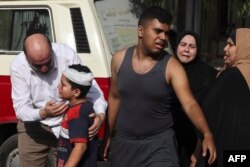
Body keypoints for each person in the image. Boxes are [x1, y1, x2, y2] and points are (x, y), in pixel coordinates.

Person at [102, 6, 216, 167]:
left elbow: (190, 104)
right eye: (157, 31)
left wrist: (207, 133)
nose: (163, 37)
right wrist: (108, 136)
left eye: (166, 33)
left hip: (159, 148)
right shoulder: (119, 59)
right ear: (140, 31)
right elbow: (114, 97)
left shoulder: (172, 66)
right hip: (124, 147)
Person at [10, 33, 107, 167]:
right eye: (37, 65)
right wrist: (43, 113)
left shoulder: (66, 55)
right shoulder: (18, 66)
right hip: (34, 127)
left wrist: (101, 115)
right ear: (26, 57)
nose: (44, 68)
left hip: (67, 125)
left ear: (52, 50)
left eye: (47, 62)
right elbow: (21, 109)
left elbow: (92, 91)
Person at [201, 28, 250, 167]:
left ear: (243, 47)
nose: (225, 48)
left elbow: (207, 110)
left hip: (231, 152)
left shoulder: (231, 75)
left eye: (231, 44)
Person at [172, 31, 217, 167]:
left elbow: (210, 113)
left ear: (198, 50)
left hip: (195, 141)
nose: (186, 49)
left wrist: (198, 148)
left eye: (192, 46)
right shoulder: (167, 68)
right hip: (168, 140)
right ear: (176, 47)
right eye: (183, 44)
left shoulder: (209, 75)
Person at [57, 64, 98, 167]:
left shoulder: (77, 113)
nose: (59, 86)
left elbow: (80, 147)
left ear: (76, 92)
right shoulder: (82, 107)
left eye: (63, 85)